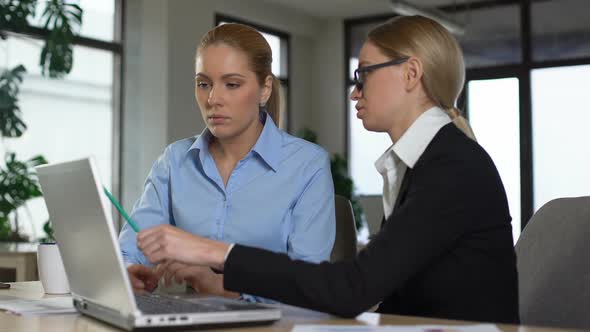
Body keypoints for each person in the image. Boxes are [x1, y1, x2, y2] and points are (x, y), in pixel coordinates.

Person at [136, 15, 519, 323]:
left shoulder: (452, 167)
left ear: (410, 73)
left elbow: (353, 288)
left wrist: (213, 252)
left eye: (363, 73)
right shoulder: (423, 163)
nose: (355, 91)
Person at [118, 23, 336, 301]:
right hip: (189, 320)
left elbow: (310, 285)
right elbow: (131, 249)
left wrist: (217, 285)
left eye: (231, 84)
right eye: (203, 84)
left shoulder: (307, 165)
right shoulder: (174, 161)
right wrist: (129, 272)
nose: (213, 99)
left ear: (264, 89)